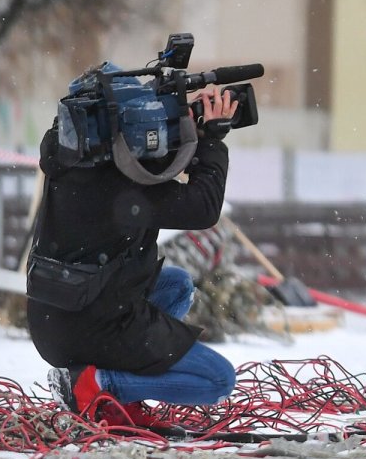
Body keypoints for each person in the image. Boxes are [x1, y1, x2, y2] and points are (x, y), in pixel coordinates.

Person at [30, 83, 241, 432]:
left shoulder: (68, 162)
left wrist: (180, 125)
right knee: (218, 380)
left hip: (55, 316)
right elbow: (204, 208)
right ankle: (102, 386)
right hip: (94, 322)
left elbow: (143, 165)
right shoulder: (128, 191)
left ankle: (107, 386)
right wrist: (212, 139)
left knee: (176, 286)